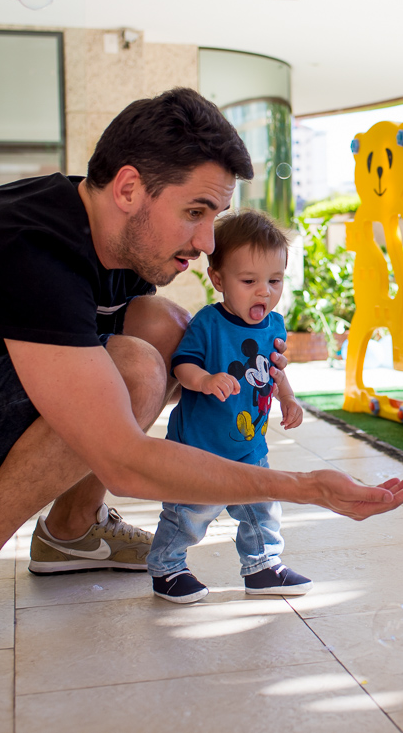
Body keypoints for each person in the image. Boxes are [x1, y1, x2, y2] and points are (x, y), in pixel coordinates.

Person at [0, 87, 403, 655]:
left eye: (216, 216)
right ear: (130, 187)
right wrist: (306, 487)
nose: (209, 241)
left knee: (162, 325)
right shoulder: (34, 248)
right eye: (195, 211)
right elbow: (123, 458)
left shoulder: (113, 237)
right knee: (133, 365)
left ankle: (70, 531)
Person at [147, 209, 311, 603]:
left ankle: (262, 566)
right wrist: (203, 380)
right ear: (218, 279)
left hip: (248, 444)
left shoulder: (274, 325)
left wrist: (287, 396)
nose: (264, 292)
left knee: (260, 507)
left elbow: (274, 369)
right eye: (249, 281)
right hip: (200, 446)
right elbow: (182, 365)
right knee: (190, 514)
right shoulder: (208, 323)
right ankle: (167, 567)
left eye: (274, 281)